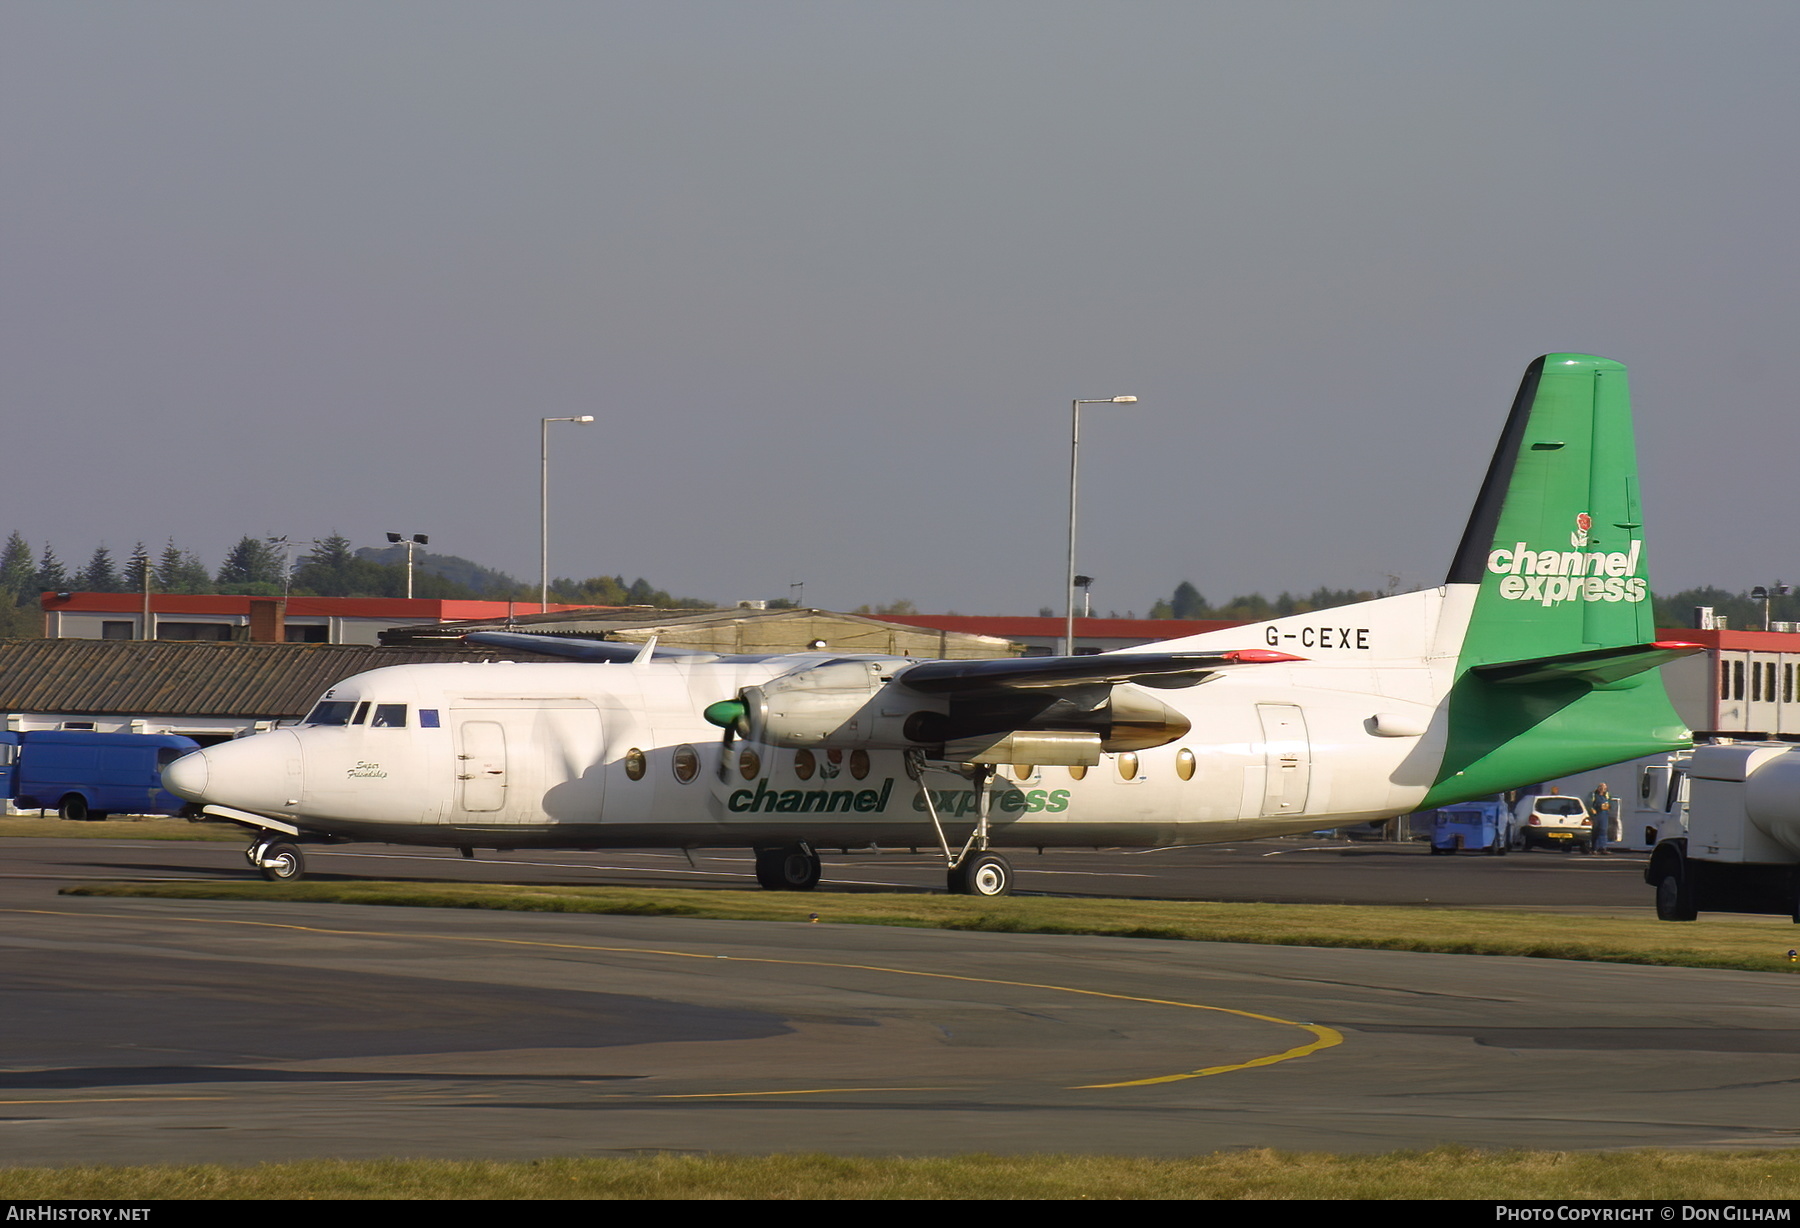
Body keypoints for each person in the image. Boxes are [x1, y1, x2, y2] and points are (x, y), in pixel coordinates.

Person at [1587, 782, 1613, 854]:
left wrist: (1608, 807)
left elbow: (1611, 804)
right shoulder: (1593, 795)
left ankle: (1603, 848)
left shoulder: (1607, 796)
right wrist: (1593, 812)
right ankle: (1594, 848)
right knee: (1595, 831)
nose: (1602, 789)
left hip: (1604, 815)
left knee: (1603, 831)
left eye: (1604, 788)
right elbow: (1589, 805)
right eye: (1601, 787)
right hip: (1596, 815)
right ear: (1598, 788)